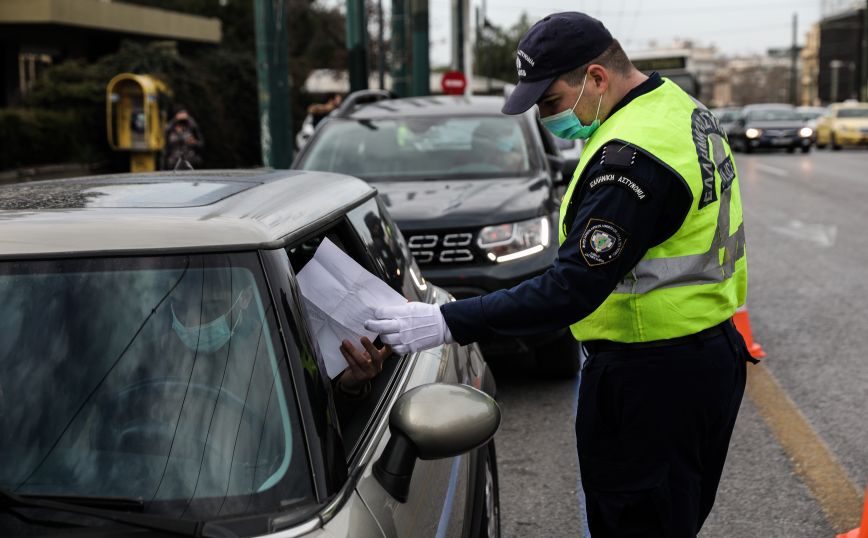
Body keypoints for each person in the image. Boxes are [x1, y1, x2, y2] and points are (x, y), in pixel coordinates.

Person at [365, 12, 755, 538]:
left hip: (652, 379)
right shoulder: (677, 110)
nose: (548, 118)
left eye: (551, 102)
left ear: (596, 77)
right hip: (699, 358)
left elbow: (569, 289)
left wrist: (444, 321)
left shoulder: (633, 160)